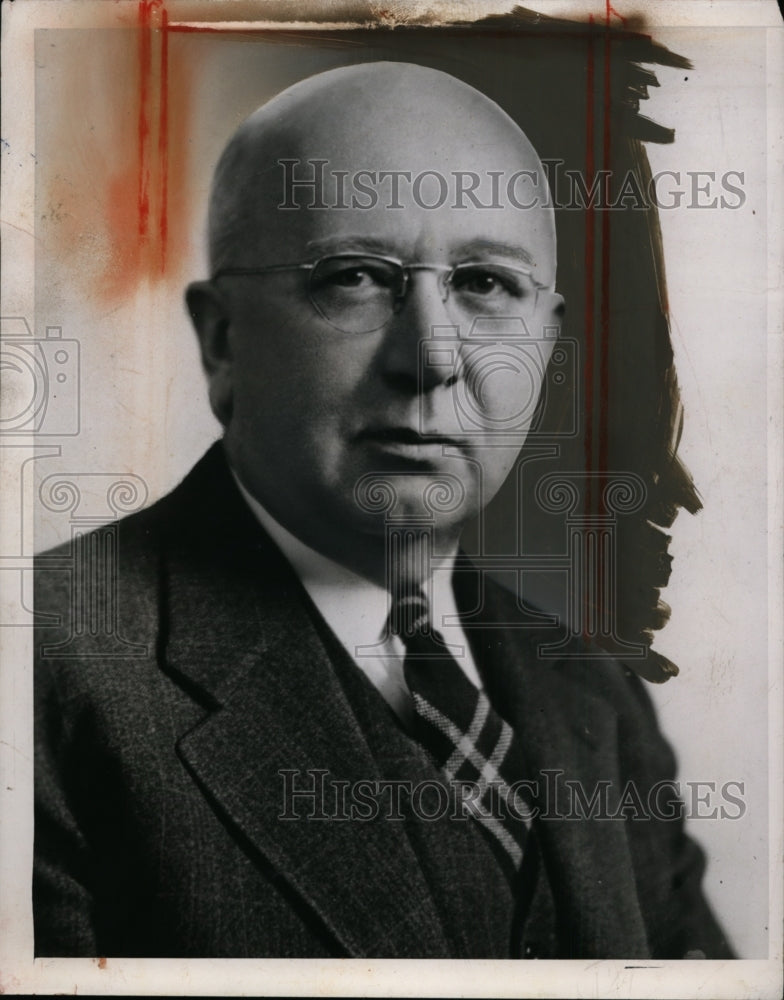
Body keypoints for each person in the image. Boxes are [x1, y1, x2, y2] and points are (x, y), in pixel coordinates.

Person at [33, 61, 732, 959]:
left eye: (485, 285)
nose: (432, 358)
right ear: (222, 341)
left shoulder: (597, 692)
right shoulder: (40, 678)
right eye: (357, 277)